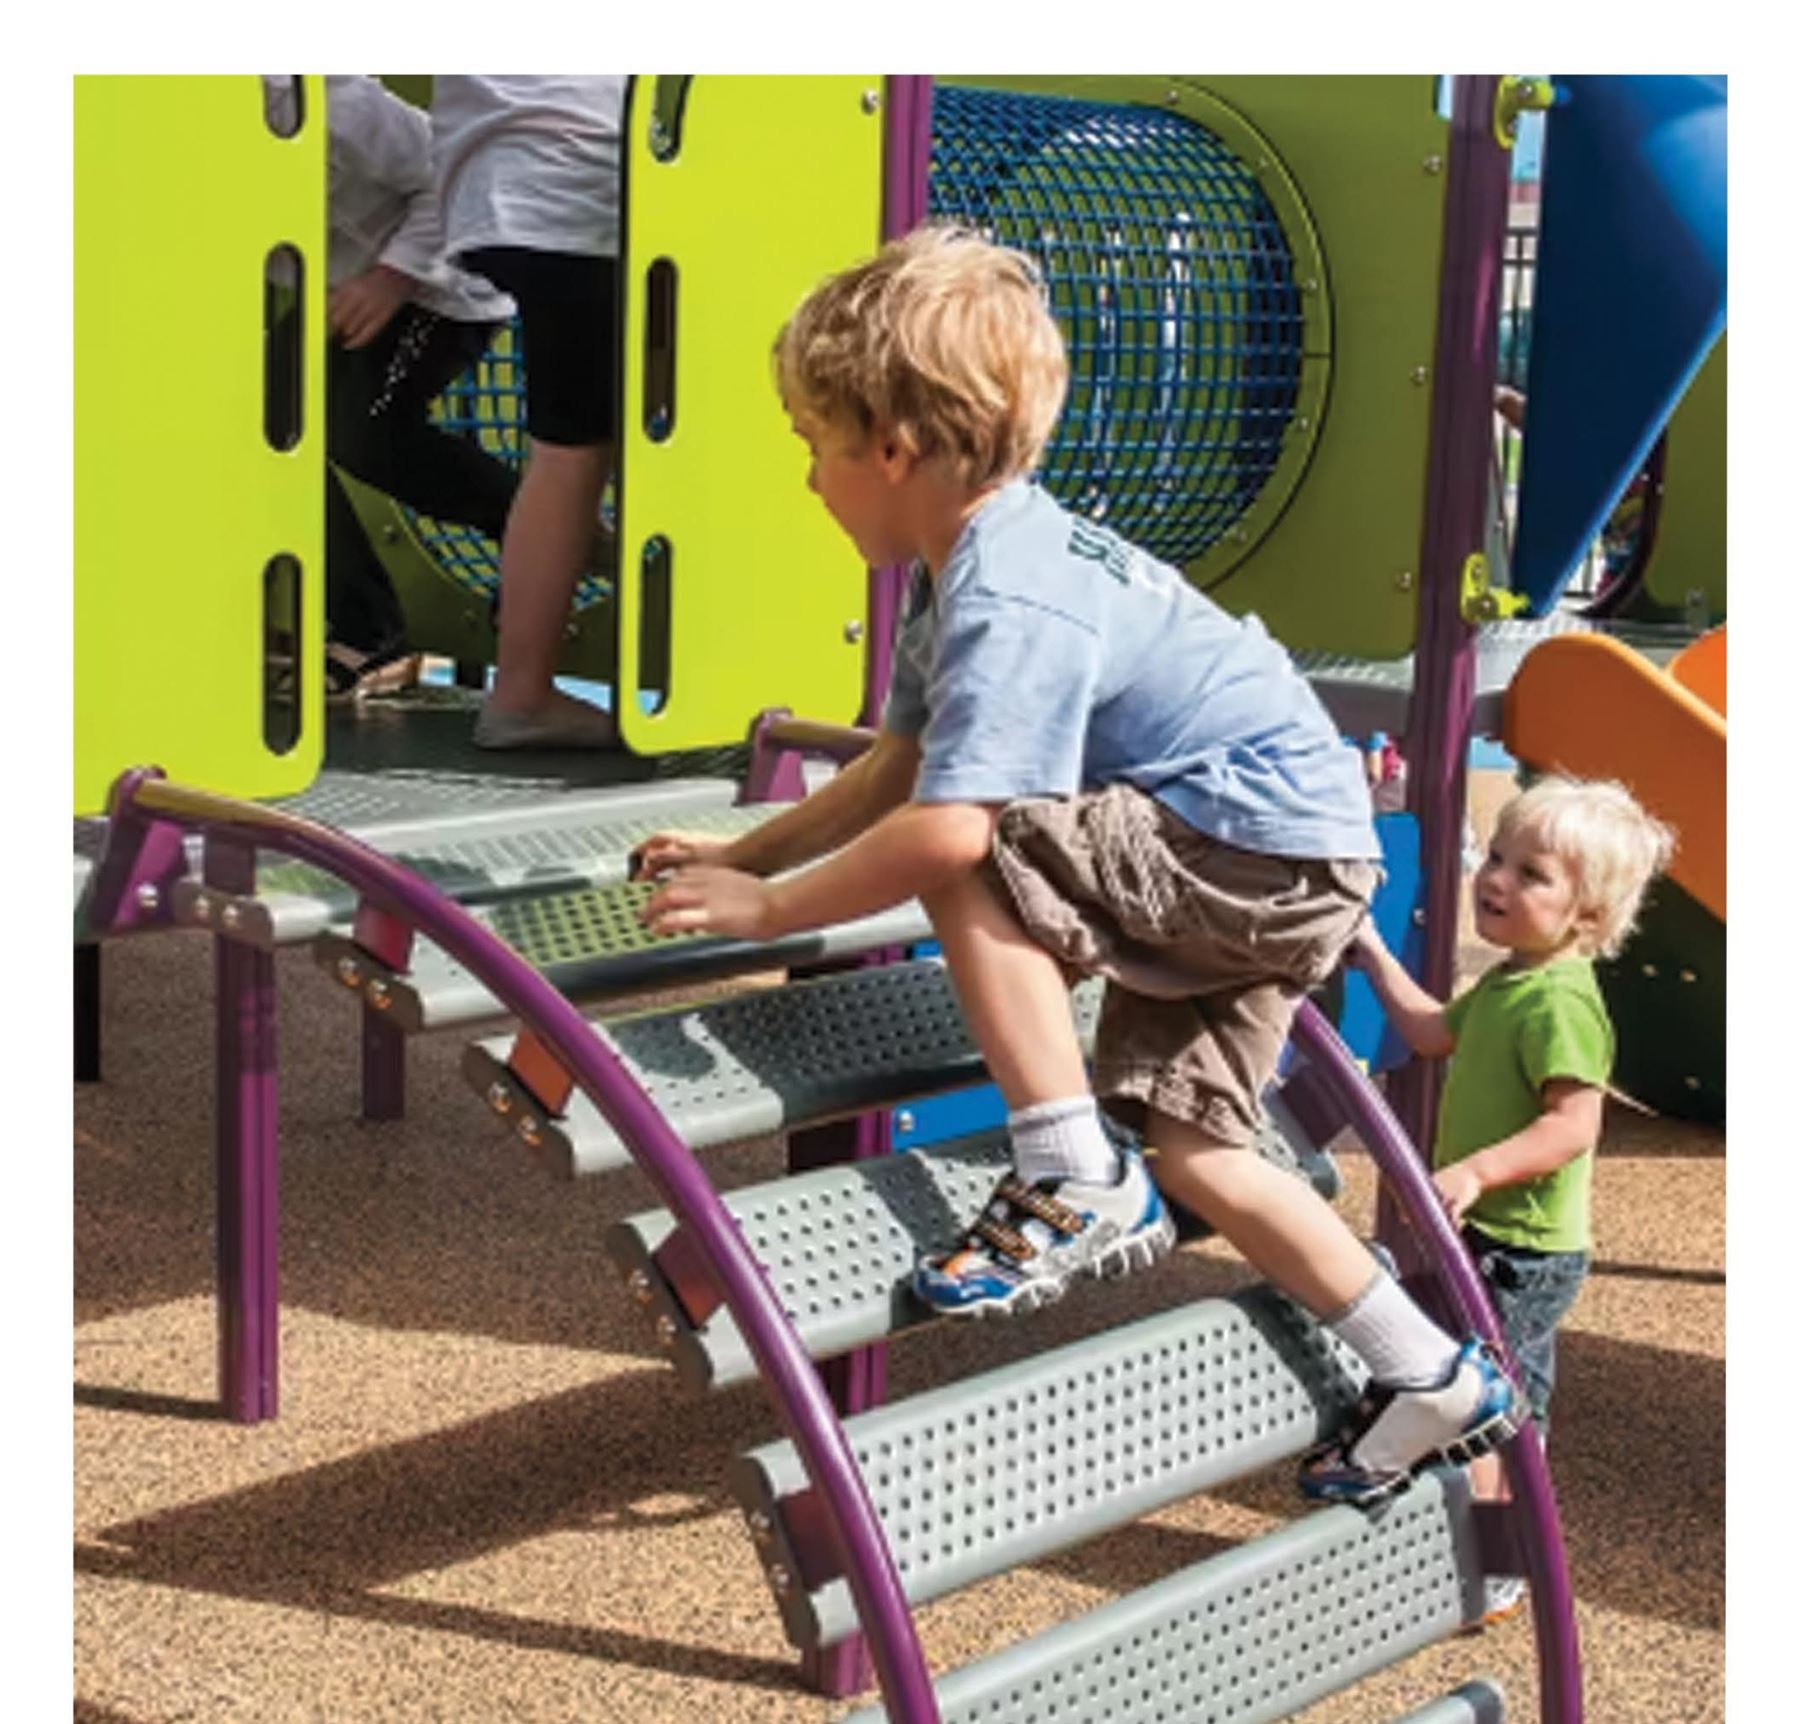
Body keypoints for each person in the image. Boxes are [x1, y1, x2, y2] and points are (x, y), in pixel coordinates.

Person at [633, 226, 1524, 1508]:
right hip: (1275, 849)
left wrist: (772, 908)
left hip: (1246, 848)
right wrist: (751, 849)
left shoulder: (1010, 592)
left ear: (895, 447)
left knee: (973, 832)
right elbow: (901, 761)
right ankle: (1429, 1371)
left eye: (814, 442)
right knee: (1200, 1153)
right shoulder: (978, 561)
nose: (807, 477)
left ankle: (1068, 1164)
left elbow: (950, 828)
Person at [1350, 774, 1673, 1611]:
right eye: (1496, 856)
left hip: (1524, 1248)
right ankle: (1461, 1526)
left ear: (1586, 916)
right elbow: (1430, 1033)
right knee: (1472, 1383)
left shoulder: (1560, 1003)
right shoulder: (1510, 980)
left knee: (1498, 1403)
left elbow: (1571, 1127)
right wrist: (1373, 954)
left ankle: (1502, 1557)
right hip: (1492, 1234)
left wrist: (1475, 1171)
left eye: (1531, 874)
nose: (1494, 879)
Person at [430, 76, 628, 749]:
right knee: (573, 453)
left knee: (567, 446)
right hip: (576, 193)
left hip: (495, 191)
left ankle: (524, 673)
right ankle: (522, 693)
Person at [315, 76, 521, 698]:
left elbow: (448, 175)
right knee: (270, 428)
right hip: (344, 293)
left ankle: (531, 524)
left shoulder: (338, 104)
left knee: (364, 431)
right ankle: (359, 618)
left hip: (441, 290)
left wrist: (392, 276)